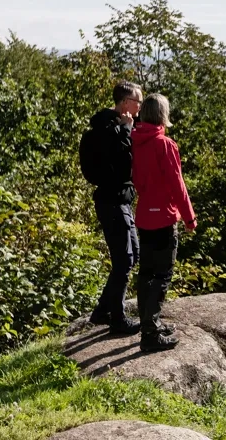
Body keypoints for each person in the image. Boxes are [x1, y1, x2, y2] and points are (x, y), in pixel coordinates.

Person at [130, 93, 197, 352]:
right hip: (164, 217)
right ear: (163, 115)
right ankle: (150, 332)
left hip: (145, 215)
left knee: (146, 272)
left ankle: (150, 324)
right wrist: (189, 217)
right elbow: (177, 185)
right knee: (162, 273)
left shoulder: (134, 141)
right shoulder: (165, 144)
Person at [82, 81, 144, 334]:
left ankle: (102, 311)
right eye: (137, 101)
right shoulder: (108, 129)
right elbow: (122, 161)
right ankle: (117, 319)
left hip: (120, 200)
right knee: (124, 258)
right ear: (125, 103)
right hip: (112, 200)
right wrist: (128, 130)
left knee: (133, 255)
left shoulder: (118, 126)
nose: (140, 106)